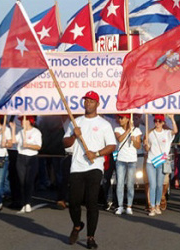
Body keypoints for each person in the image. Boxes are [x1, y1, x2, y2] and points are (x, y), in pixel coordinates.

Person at [63, 91, 116, 249]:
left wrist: (97, 153)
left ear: (97, 104)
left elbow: (112, 146)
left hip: (95, 166)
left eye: (91, 101)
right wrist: (74, 134)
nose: (88, 103)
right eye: (86, 101)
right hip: (77, 167)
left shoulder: (104, 124)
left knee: (92, 202)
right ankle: (77, 225)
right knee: (74, 202)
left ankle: (90, 237)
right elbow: (65, 143)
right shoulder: (75, 122)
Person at [144, 113, 178, 216]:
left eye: (159, 121)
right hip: (151, 161)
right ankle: (152, 207)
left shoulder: (167, 133)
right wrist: (146, 145)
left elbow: (175, 131)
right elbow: (146, 148)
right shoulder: (150, 133)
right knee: (152, 185)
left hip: (161, 161)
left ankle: (158, 205)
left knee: (160, 185)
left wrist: (172, 119)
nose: (157, 123)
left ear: (163, 122)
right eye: (155, 121)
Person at [10, 115, 42, 214]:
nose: (22, 122)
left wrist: (28, 145)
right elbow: (14, 141)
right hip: (21, 157)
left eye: (23, 120)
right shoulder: (20, 132)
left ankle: (27, 202)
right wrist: (13, 129)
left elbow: (38, 146)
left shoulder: (36, 132)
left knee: (29, 181)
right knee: (21, 181)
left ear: (29, 121)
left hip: (32, 158)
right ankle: (23, 203)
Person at [114, 113, 142, 215]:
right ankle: (120, 206)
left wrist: (134, 141)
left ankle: (129, 206)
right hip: (121, 159)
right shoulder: (117, 129)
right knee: (120, 183)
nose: (120, 120)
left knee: (130, 184)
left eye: (122, 118)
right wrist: (128, 131)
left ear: (127, 119)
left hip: (132, 160)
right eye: (119, 117)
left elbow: (138, 146)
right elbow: (119, 139)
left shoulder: (137, 130)